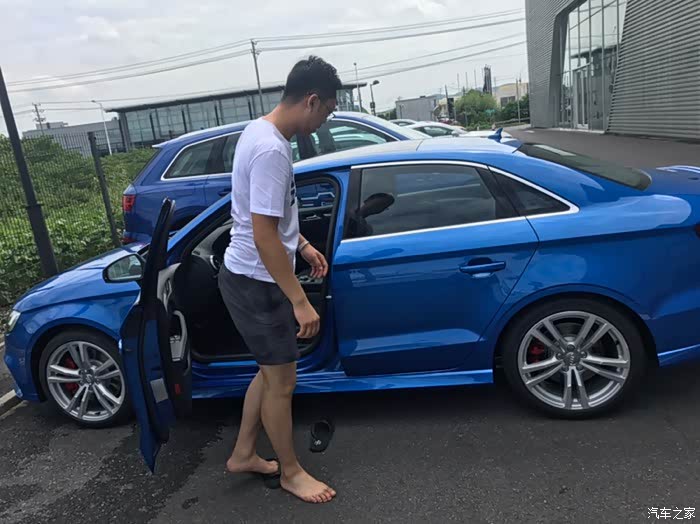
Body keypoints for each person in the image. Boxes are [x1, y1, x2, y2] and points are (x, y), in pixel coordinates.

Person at [218, 56, 342, 504]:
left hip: (250, 274)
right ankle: (291, 472)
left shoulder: (259, 131)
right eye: (327, 111)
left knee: (270, 373)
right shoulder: (272, 150)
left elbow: (269, 216)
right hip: (257, 281)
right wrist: (299, 301)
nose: (324, 121)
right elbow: (264, 235)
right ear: (311, 100)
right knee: (282, 384)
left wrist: (303, 244)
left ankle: (243, 454)